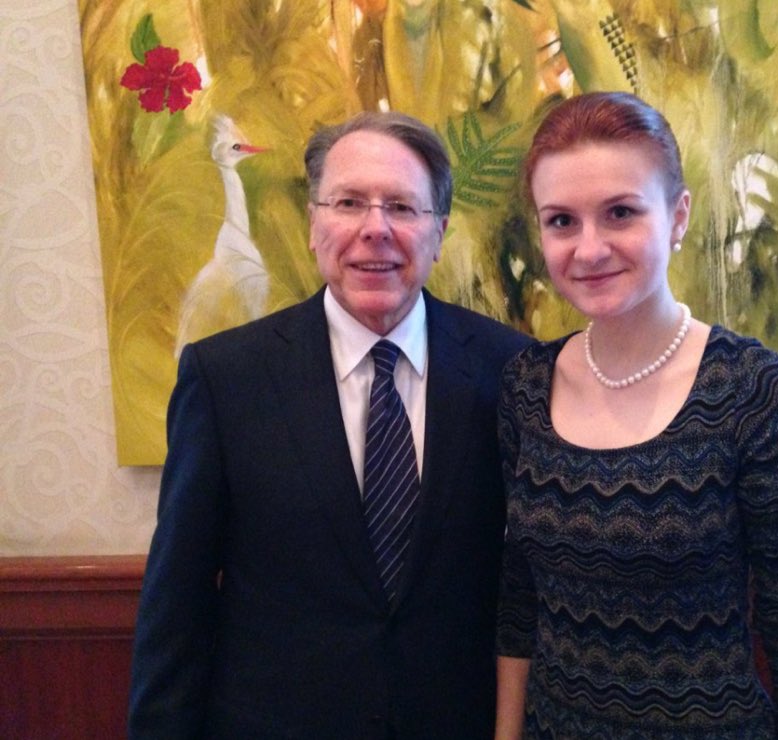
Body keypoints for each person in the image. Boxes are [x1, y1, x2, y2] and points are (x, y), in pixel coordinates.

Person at [128, 111, 530, 739]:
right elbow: (178, 601)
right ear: (314, 225)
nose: (375, 228)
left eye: (402, 207)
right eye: (348, 203)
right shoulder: (225, 377)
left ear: (439, 231)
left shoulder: (511, 371)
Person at [494, 92, 778, 739]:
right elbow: (520, 595)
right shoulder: (526, 386)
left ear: (678, 215)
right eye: (562, 221)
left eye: (620, 213)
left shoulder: (756, 392)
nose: (589, 248)